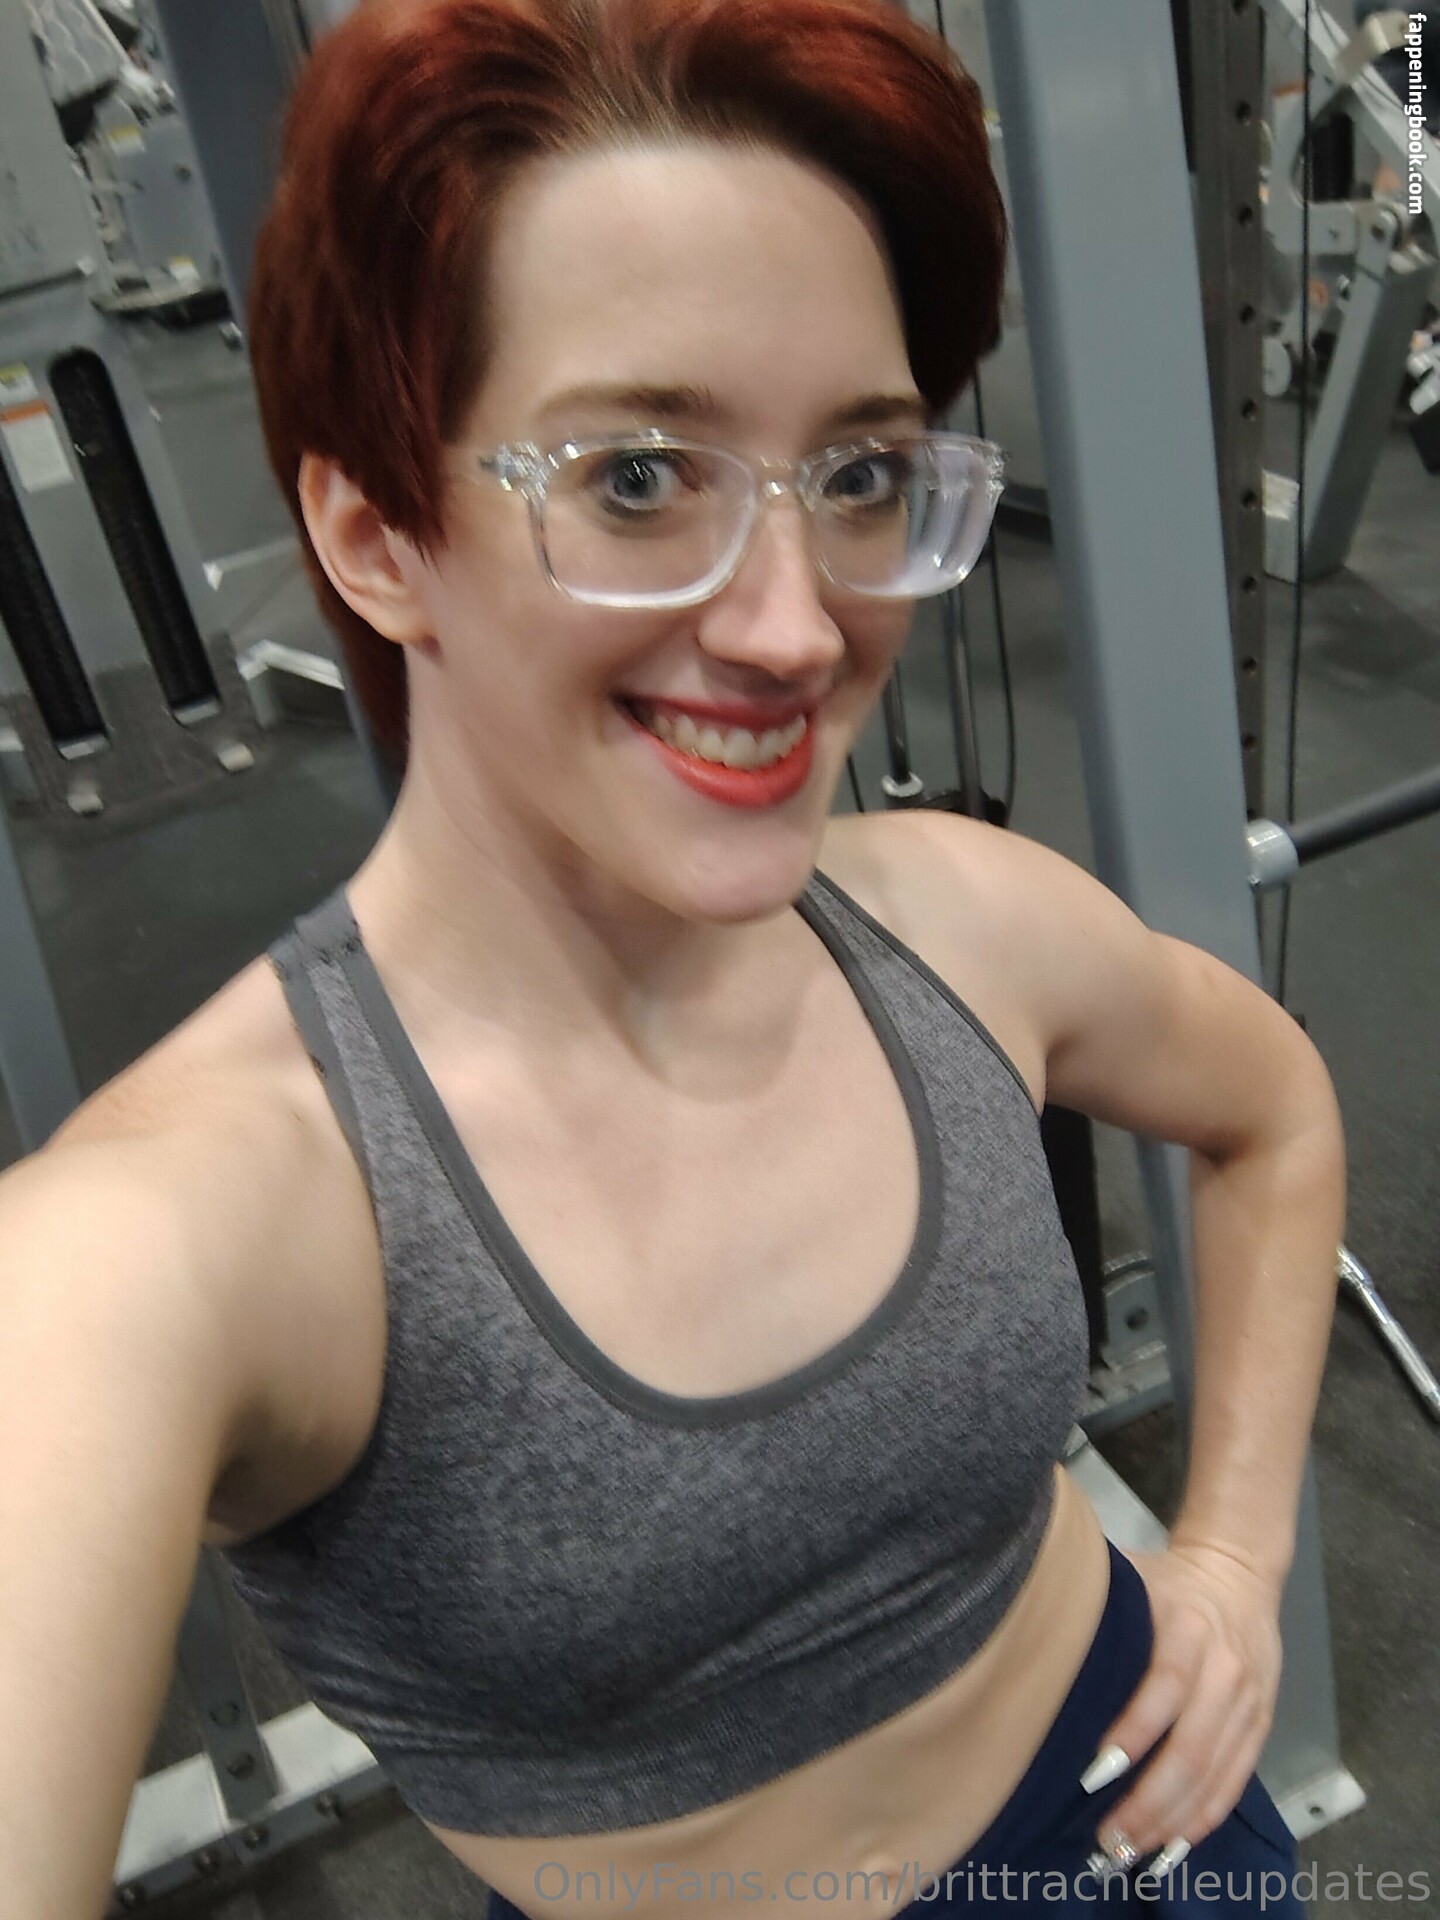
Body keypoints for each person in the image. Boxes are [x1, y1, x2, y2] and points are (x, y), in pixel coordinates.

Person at [0, 1, 1347, 1915]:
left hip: (1147, 1839)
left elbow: (1275, 1111)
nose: (796, 629)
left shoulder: (956, 923)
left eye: (861, 475)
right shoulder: (185, 1224)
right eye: (638, 478)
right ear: (375, 537)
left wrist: (1228, 1557)